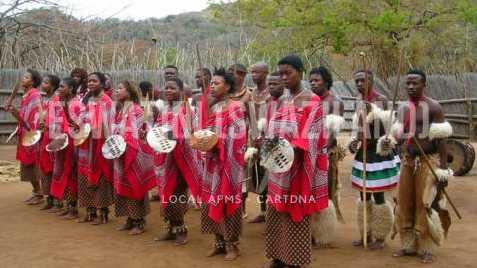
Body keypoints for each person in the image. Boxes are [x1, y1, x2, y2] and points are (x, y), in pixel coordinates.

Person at [262, 55, 328, 268]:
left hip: (298, 168)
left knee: (293, 212)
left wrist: (291, 147)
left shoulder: (312, 100)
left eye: (287, 72)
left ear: (300, 72)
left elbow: (314, 136)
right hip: (278, 167)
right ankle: (278, 257)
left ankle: (294, 261)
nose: (283, 77)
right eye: (280, 73)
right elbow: (273, 129)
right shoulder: (282, 99)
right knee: (275, 211)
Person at [389, 69, 452, 263]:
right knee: (404, 201)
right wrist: (388, 141)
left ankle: (427, 247)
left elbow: (442, 141)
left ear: (424, 85)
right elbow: (398, 137)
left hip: (428, 161)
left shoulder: (434, 107)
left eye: (415, 83)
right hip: (408, 161)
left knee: (425, 202)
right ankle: (408, 244)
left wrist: (442, 172)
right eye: (408, 83)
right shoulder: (403, 108)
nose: (410, 86)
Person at [348, 69, 399, 250]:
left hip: (377, 153)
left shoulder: (381, 100)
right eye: (357, 81)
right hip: (363, 152)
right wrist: (354, 143)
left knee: (378, 194)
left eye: (363, 80)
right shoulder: (357, 101)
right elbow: (358, 128)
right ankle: (366, 233)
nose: (360, 84)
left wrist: (373, 112)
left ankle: (380, 237)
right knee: (363, 195)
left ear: (372, 81)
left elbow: (386, 131)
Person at [200, 67, 246, 261]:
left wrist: (218, 144)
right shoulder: (215, 107)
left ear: (227, 86)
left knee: (229, 203)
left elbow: (239, 139)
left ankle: (232, 246)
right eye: (210, 83)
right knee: (212, 200)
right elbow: (209, 133)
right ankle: (218, 243)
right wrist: (204, 141)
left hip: (229, 166)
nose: (212, 86)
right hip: (213, 165)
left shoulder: (236, 107)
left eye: (216, 83)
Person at [153, 78, 202, 245]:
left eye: (172, 88)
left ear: (181, 91)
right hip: (165, 159)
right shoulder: (165, 110)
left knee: (177, 194)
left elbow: (192, 135)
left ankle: (181, 230)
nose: (167, 90)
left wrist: (173, 137)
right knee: (166, 194)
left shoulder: (188, 110)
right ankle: (171, 229)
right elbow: (158, 131)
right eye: (166, 87)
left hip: (182, 159)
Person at [111, 81, 157, 235]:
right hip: (121, 153)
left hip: (135, 155)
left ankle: (139, 221)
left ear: (129, 92)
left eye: (120, 88)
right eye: (116, 88)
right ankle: (130, 219)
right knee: (123, 186)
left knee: (135, 185)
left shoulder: (137, 110)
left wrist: (141, 134)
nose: (116, 90)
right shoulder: (120, 111)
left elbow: (145, 130)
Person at [309, 66, 346, 248]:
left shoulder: (335, 102)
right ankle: (310, 231)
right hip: (309, 152)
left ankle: (323, 234)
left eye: (317, 80)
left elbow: (332, 135)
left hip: (325, 154)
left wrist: (319, 150)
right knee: (309, 191)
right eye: (311, 80)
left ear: (326, 81)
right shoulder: (309, 100)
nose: (313, 83)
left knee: (325, 192)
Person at [77, 72, 114, 225]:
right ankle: (90, 210)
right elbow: (81, 116)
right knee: (84, 175)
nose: (91, 83)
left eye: (94, 81)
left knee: (100, 176)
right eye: (89, 81)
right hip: (86, 142)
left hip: (100, 143)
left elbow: (109, 124)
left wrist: (92, 124)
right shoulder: (88, 98)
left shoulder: (106, 100)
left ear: (102, 83)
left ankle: (103, 213)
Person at [6, 69, 43, 205]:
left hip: (31, 134)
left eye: (26, 77)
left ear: (33, 81)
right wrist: (15, 112)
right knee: (27, 163)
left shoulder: (35, 95)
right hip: (25, 132)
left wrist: (16, 113)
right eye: (24, 77)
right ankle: (37, 191)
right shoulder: (26, 95)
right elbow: (23, 117)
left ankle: (39, 193)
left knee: (31, 162)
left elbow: (35, 119)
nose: (23, 79)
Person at [48, 77, 83, 220]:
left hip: (72, 146)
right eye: (59, 87)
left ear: (71, 89)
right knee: (64, 174)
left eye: (62, 87)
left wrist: (68, 135)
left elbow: (80, 126)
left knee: (71, 175)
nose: (59, 89)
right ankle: (68, 205)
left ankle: (73, 209)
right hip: (62, 144)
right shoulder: (63, 102)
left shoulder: (76, 104)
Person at [245, 62, 270, 224]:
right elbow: (250, 118)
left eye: (257, 72)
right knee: (259, 174)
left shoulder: (273, 92)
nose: (254, 75)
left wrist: (266, 138)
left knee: (271, 176)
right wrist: (254, 139)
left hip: (271, 141)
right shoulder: (252, 94)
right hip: (256, 140)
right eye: (252, 72)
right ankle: (263, 211)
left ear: (266, 73)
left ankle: (273, 213)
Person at [37, 74, 60, 211]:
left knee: (54, 169)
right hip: (44, 137)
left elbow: (57, 120)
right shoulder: (45, 100)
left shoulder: (57, 100)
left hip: (53, 138)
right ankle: (49, 198)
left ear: (53, 86)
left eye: (46, 83)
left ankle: (58, 201)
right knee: (45, 168)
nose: (43, 85)